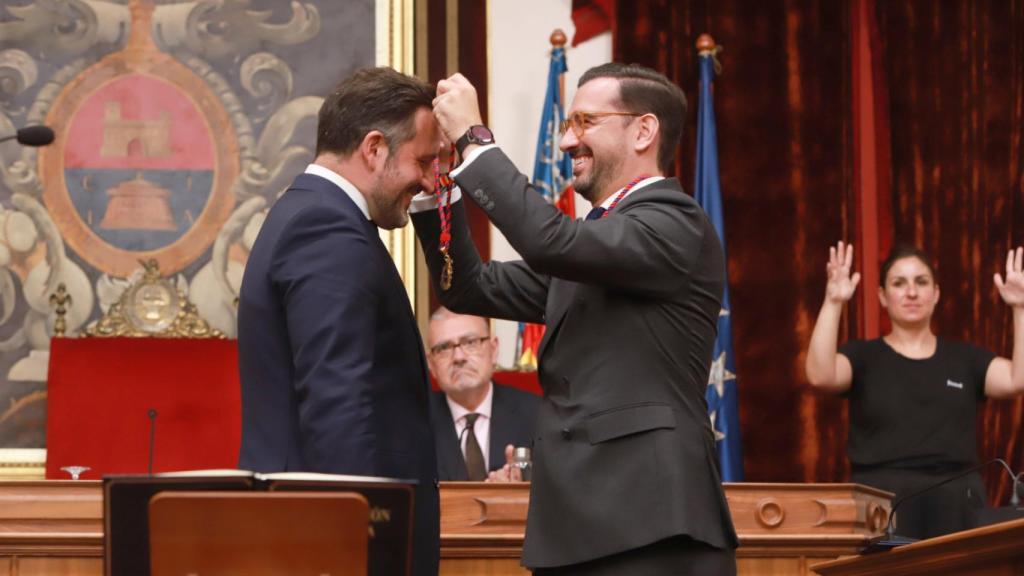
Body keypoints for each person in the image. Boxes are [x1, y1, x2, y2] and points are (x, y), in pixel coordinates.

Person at [413, 63, 738, 574]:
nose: (567, 142)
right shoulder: (592, 246)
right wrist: (436, 190)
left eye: (585, 122)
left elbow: (550, 241)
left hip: (649, 520)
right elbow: (469, 285)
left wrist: (475, 141)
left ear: (643, 130)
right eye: (567, 126)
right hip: (577, 526)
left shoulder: (673, 220)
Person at [237, 67, 440, 575]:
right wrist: (359, 537)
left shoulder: (314, 213)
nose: (430, 180)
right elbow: (337, 397)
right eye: (425, 160)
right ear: (374, 148)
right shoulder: (326, 226)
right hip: (332, 539)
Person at [805, 241, 1024, 539]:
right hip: (881, 504)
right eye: (899, 283)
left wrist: (1020, 307)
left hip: (957, 503)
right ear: (883, 296)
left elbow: (1017, 379)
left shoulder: (966, 359)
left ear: (935, 294)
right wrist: (833, 302)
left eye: (921, 282)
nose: (911, 292)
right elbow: (820, 375)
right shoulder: (863, 357)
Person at [426, 307, 540, 481]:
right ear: (431, 364)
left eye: (470, 342)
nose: (458, 357)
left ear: (493, 350)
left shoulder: (537, 414)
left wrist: (521, 491)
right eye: (444, 348)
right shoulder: (413, 422)